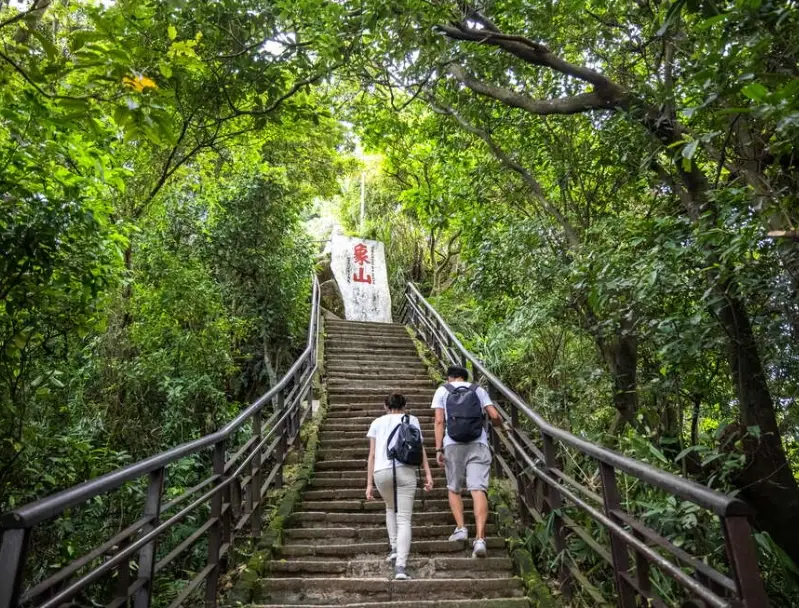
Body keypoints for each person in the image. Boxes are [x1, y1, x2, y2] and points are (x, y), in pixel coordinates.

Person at [432, 365, 507, 557]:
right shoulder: (478, 390)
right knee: (478, 489)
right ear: (465, 377)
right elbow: (494, 415)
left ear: (450, 378)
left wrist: (438, 448)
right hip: (478, 444)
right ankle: (480, 539)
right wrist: (502, 427)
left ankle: (461, 528)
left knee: (454, 487)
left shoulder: (442, 390)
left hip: (452, 444)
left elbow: (439, 421)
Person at [366, 393, 434, 580]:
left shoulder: (377, 423)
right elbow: (420, 449)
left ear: (385, 406)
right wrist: (428, 473)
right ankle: (400, 568)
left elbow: (371, 455)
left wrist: (369, 484)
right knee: (404, 519)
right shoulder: (412, 420)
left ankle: (394, 547)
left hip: (381, 472)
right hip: (405, 471)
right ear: (405, 405)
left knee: (390, 507)